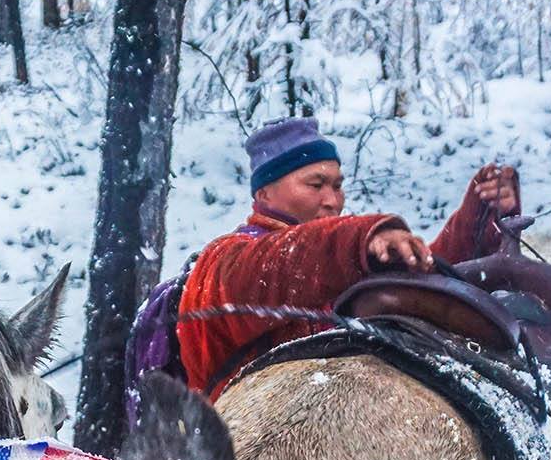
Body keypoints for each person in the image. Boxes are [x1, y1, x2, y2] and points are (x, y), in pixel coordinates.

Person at [132, 117, 523, 400]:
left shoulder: (334, 264)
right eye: (315, 184)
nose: (332, 200)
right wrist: (358, 239)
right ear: (263, 194)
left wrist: (480, 217)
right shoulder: (224, 264)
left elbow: (422, 288)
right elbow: (283, 265)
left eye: (337, 185)